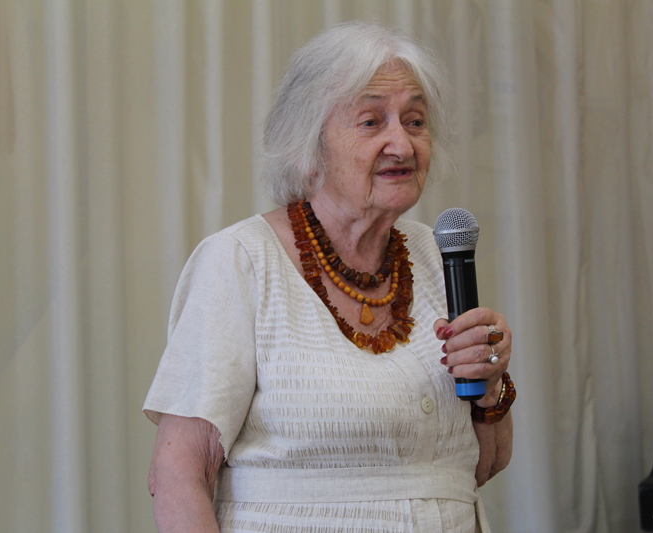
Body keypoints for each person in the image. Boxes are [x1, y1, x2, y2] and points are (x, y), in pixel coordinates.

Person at [144, 21, 514, 532]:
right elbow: (178, 475)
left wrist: (490, 384)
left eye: (415, 121)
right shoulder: (240, 260)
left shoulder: (436, 254)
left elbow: (482, 466)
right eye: (371, 122)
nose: (402, 145)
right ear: (310, 145)